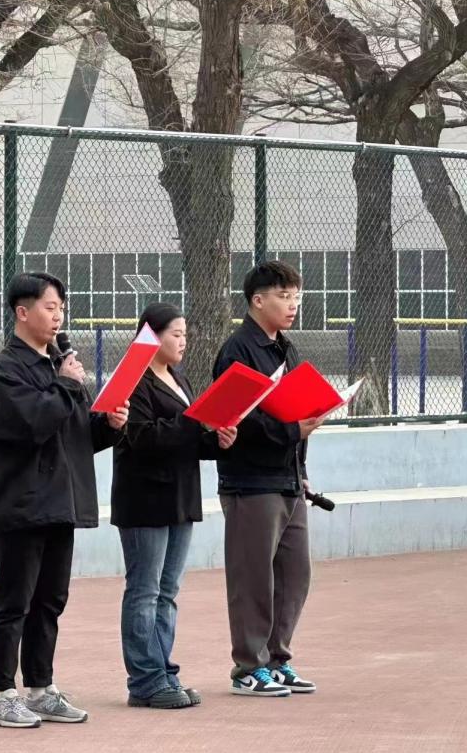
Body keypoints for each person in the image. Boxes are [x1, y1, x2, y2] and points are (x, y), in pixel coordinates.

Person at [0, 272, 129, 728]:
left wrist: (109, 425)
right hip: (22, 505)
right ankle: (1, 694)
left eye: (61, 307)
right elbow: (32, 425)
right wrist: (66, 385)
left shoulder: (60, 366)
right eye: (49, 307)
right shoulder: (5, 372)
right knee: (14, 602)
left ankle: (41, 688)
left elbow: (74, 434)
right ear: (22, 312)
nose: (58, 315)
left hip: (62, 502)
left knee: (50, 601)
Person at [111, 303, 237, 709]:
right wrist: (195, 420)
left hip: (180, 496)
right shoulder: (133, 381)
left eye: (185, 334)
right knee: (145, 591)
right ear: (151, 336)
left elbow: (187, 440)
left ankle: (163, 672)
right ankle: (145, 680)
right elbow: (142, 438)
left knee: (167, 592)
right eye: (176, 334)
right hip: (145, 499)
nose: (183, 342)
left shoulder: (178, 378)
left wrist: (216, 441)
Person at [213, 261, 323, 698]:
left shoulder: (287, 349)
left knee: (295, 574)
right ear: (257, 301)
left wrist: (301, 466)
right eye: (283, 296)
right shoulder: (237, 351)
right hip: (251, 482)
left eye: (296, 296)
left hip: (289, 479)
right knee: (253, 579)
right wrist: (292, 431)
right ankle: (248, 667)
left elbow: (294, 407)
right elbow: (238, 417)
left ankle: (278, 660)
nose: (292, 305)